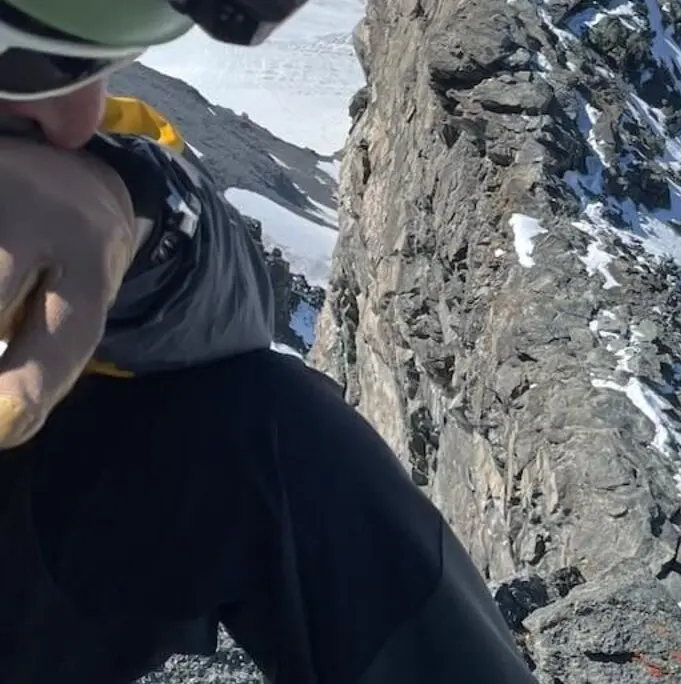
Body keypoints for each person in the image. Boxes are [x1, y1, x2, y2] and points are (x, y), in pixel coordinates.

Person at [0, 1, 539, 682]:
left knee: (262, 425)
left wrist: (128, 207)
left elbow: (229, 306)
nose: (78, 114)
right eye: (21, 48)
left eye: (87, 51)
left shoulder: (56, 138)